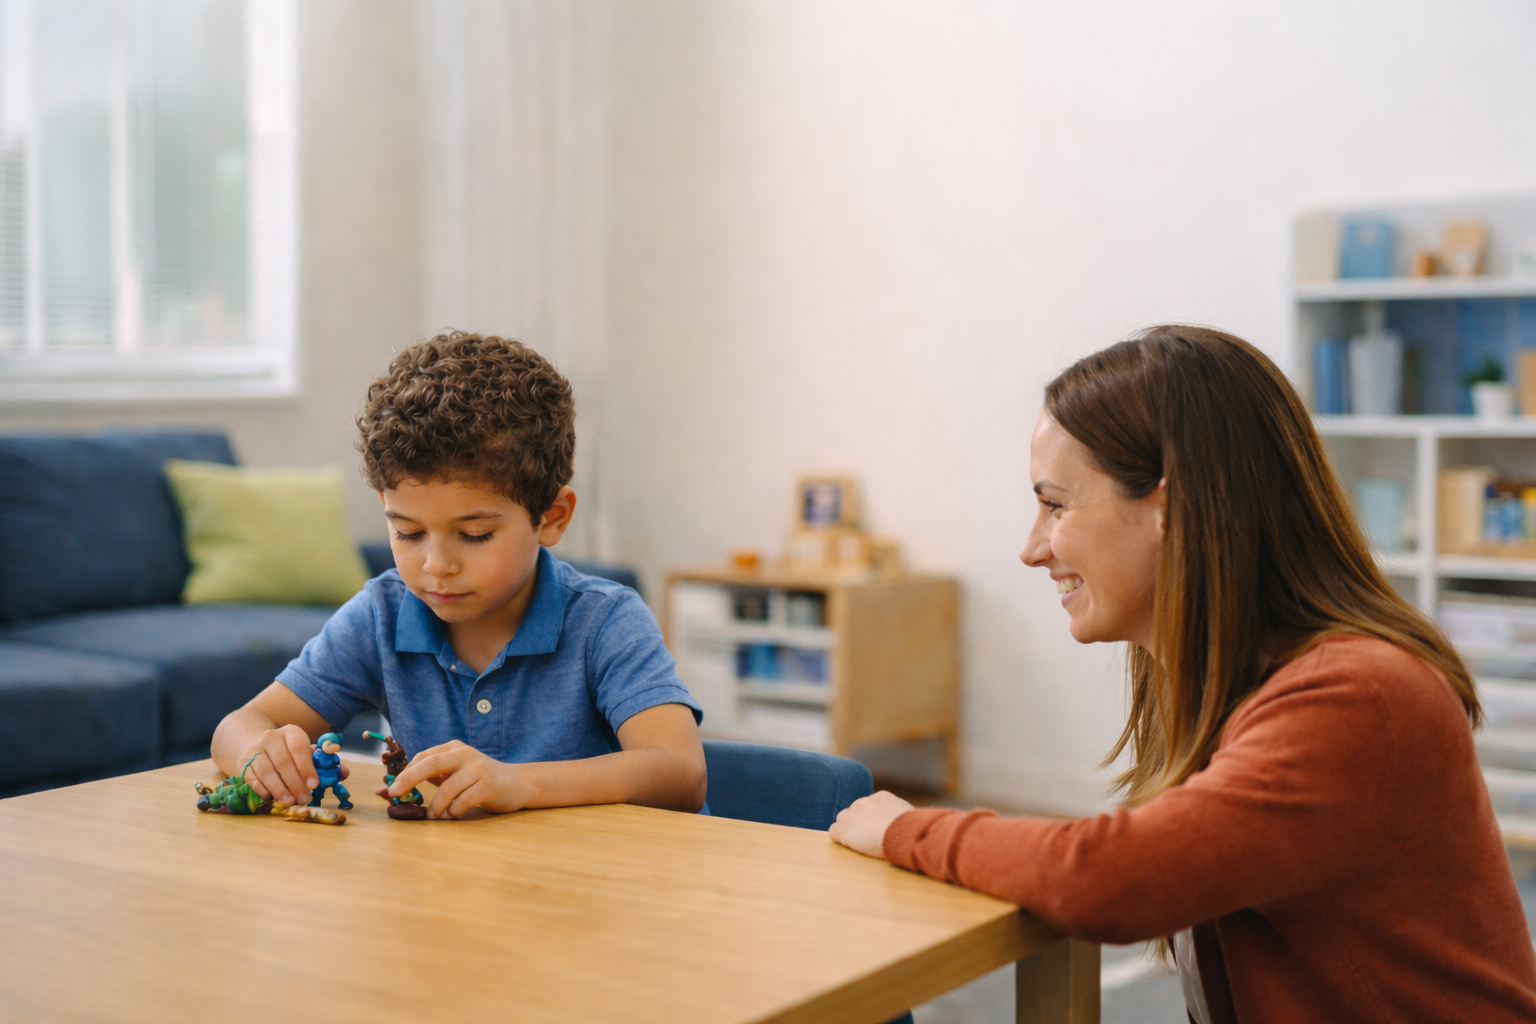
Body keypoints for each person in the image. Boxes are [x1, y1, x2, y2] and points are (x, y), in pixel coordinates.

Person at [830, 326, 1536, 1022]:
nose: (1032, 548)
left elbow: (1113, 881)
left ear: (1170, 505)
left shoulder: (1358, 695)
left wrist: (909, 830)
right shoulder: (1239, 680)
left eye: (1055, 504)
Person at [211, 331, 706, 819]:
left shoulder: (607, 621)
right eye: (408, 532)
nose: (435, 565)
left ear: (551, 517)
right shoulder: (381, 614)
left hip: (594, 887)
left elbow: (680, 773)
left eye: (473, 535)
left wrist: (520, 782)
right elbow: (239, 726)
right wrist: (262, 753)